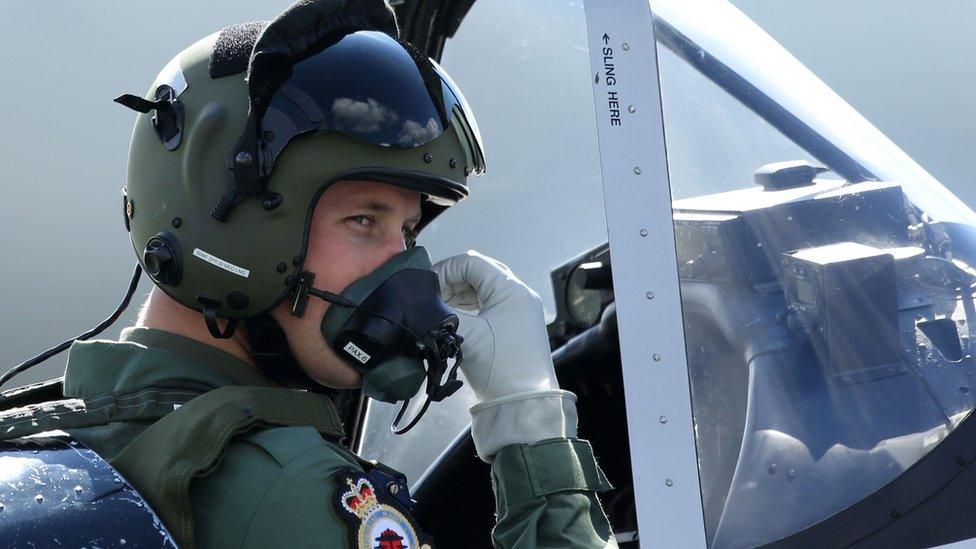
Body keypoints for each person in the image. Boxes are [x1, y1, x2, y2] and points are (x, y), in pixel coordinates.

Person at [0, 1, 615, 547]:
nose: (406, 265)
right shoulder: (288, 490)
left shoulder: (59, 433)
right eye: (364, 221)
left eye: (407, 230)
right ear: (237, 228)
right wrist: (527, 421)